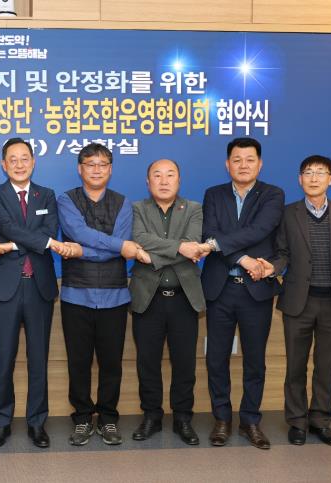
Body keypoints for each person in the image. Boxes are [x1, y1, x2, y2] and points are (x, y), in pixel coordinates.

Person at [266, 155, 331, 446]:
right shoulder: (287, 213)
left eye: (320, 172)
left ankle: (320, 420)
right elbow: (282, 253)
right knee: (295, 365)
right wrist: (272, 268)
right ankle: (297, 421)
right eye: (308, 172)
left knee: (325, 366)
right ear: (300, 179)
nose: (314, 178)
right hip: (299, 302)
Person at [201, 137, 284, 450]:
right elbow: (209, 233)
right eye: (237, 159)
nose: (243, 165)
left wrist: (224, 247)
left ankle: (250, 420)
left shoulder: (273, 195)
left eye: (250, 159)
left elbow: (259, 230)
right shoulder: (214, 194)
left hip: (256, 292)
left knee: (255, 361)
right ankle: (222, 418)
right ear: (227, 164)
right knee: (216, 359)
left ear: (259, 164)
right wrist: (244, 259)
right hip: (220, 289)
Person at [0, 137, 63, 449]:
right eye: (12, 159)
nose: (19, 164)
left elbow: (49, 231)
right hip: (6, 287)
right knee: (4, 358)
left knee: (38, 358)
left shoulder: (47, 194)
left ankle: (37, 422)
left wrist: (17, 243)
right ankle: (1, 422)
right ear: (4, 165)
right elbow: (8, 227)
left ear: (33, 161)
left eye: (24, 158)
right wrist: (41, 242)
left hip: (39, 286)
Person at [56, 142, 138, 446]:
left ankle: (107, 418)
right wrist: (118, 247)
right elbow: (79, 233)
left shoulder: (123, 203)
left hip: (115, 296)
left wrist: (81, 252)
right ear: (80, 169)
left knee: (111, 362)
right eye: (90, 164)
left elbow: (119, 242)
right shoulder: (66, 200)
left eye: (103, 164)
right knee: (78, 362)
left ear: (110, 169)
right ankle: (81, 418)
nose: (96, 169)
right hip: (76, 296)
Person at [129, 159, 206, 446]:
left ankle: (183, 418)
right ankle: (151, 416)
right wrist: (179, 248)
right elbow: (139, 237)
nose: (164, 181)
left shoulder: (194, 208)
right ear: (148, 181)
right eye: (157, 175)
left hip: (184, 299)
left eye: (170, 175)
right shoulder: (137, 208)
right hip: (148, 298)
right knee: (147, 362)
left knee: (184, 363)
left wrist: (151, 255)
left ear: (179, 180)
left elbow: (193, 244)